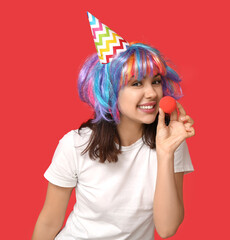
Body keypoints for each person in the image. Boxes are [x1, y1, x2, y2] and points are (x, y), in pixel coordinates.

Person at [32, 13, 195, 240]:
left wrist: (166, 153)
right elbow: (49, 222)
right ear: (110, 92)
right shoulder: (75, 144)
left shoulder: (170, 142)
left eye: (155, 82)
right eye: (136, 83)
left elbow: (167, 229)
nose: (152, 93)